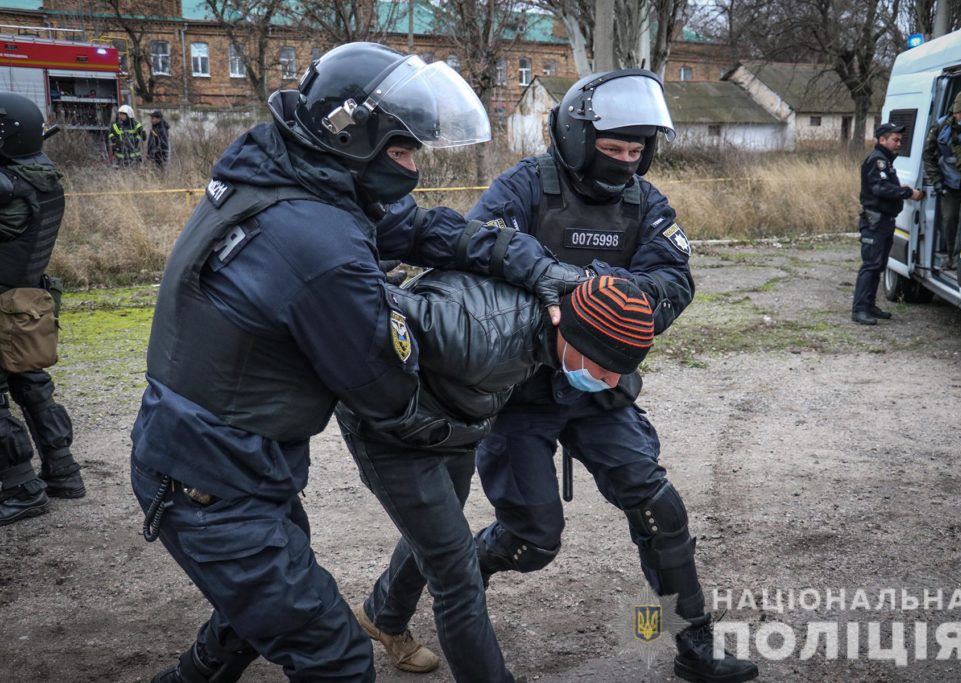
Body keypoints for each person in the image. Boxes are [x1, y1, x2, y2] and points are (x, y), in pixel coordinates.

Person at [131, 42, 588, 683]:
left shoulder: (287, 169)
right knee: (334, 655)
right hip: (213, 485)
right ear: (355, 134)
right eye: (403, 149)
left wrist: (534, 266)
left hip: (220, 457)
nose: (415, 164)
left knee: (257, 608)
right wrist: (480, 397)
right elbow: (385, 394)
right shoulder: (320, 245)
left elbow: (423, 228)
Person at [356, 68, 753, 682]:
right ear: (576, 138)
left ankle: (693, 648)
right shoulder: (522, 187)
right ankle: (412, 594)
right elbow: (477, 253)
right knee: (532, 540)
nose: (625, 161)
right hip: (520, 392)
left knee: (660, 511)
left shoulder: (647, 203)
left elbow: (674, 280)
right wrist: (548, 290)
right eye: (613, 148)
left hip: (599, 386)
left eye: (635, 151)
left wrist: (604, 299)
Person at [339, 273, 655, 683]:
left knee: (439, 528)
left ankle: (381, 616)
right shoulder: (476, 335)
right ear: (575, 338)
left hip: (449, 424)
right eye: (607, 368)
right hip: (392, 434)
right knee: (457, 576)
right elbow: (363, 309)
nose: (611, 382)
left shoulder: (558, 320)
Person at [0, 93, 86, 526]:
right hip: (27, 303)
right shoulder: (42, 175)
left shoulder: (11, 188)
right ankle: (63, 470)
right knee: (33, 386)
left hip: (3, 306)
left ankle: (21, 488)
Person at [852, 122, 924, 325]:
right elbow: (880, 189)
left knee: (878, 266)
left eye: (900, 140)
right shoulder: (877, 161)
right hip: (875, 221)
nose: (898, 144)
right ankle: (859, 309)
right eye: (895, 140)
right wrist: (908, 192)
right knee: (871, 265)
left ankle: (869, 305)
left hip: (884, 221)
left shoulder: (885, 161)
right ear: (882, 140)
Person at [923, 88, 961, 270]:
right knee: (949, 219)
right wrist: (936, 181)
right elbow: (928, 156)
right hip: (949, 183)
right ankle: (948, 254)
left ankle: (958, 258)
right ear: (956, 113)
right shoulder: (940, 128)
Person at [109, 103, 145, 167]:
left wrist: (138, 137)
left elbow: (144, 137)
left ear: (129, 115)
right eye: (120, 114)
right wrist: (115, 140)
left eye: (123, 114)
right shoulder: (116, 125)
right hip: (120, 158)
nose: (120, 116)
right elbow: (110, 134)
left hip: (134, 158)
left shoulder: (136, 125)